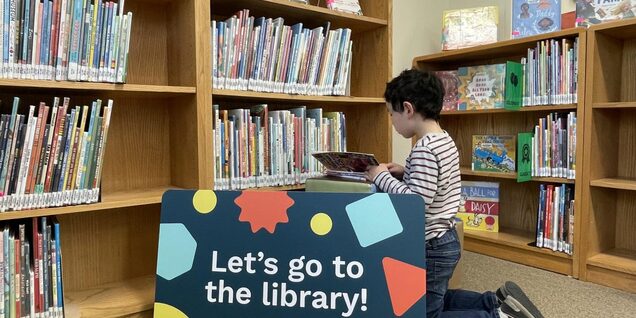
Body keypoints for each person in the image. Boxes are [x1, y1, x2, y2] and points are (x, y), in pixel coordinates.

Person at [365, 69, 544, 318]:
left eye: (391, 114)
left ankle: (498, 317)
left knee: (426, 312)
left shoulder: (424, 149)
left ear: (407, 109)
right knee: (434, 296)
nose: (392, 122)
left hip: (432, 244)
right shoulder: (443, 139)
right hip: (444, 238)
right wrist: (405, 171)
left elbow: (416, 203)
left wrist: (381, 177)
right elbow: (437, 183)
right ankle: (496, 302)